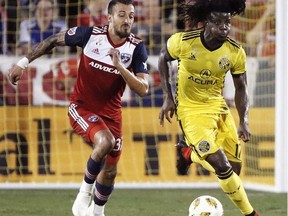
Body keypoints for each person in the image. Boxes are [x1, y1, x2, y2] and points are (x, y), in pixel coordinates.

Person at [8, 0, 149, 215]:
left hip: (112, 115)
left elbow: (143, 89)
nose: (127, 20)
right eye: (122, 15)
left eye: (131, 16)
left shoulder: (137, 47)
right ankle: (83, 196)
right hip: (82, 108)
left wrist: (120, 66)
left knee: (110, 171)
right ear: (109, 17)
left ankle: (97, 213)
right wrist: (23, 62)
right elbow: (54, 40)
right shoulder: (90, 35)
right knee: (105, 142)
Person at [158, 0, 259, 216]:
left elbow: (242, 88)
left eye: (228, 22)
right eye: (219, 22)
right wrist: (168, 97)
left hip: (218, 108)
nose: (224, 27)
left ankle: (189, 154)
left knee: (235, 171)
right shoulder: (183, 42)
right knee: (223, 168)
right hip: (191, 111)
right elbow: (162, 59)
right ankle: (251, 214)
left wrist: (244, 121)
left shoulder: (235, 51)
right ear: (205, 23)